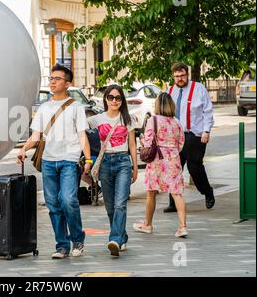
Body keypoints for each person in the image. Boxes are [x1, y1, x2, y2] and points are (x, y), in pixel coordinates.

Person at [17, 64, 91, 259]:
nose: (52, 81)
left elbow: (83, 136)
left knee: (68, 200)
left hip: (69, 160)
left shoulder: (76, 107)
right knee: (53, 204)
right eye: (51, 78)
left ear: (67, 83)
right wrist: (24, 149)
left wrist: (88, 160)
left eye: (57, 79)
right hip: (49, 161)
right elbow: (36, 135)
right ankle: (62, 246)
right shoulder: (44, 107)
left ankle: (77, 239)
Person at [87, 84, 138, 258]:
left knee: (120, 204)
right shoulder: (97, 119)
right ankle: (122, 236)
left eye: (118, 98)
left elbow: (132, 144)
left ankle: (115, 238)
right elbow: (79, 129)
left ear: (122, 100)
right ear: (106, 99)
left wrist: (135, 167)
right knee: (110, 207)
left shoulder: (127, 119)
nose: (114, 101)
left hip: (123, 161)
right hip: (105, 163)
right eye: (111, 97)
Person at [133, 92, 188, 237]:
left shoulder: (153, 119)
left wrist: (143, 139)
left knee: (151, 193)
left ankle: (148, 224)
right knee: (177, 193)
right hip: (174, 160)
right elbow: (181, 142)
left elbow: (148, 141)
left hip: (157, 160)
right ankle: (182, 227)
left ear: (157, 104)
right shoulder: (177, 122)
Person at [164, 62, 215, 213]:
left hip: (194, 135)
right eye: (176, 76)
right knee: (173, 170)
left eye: (182, 75)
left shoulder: (199, 89)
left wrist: (206, 131)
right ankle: (173, 202)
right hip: (174, 137)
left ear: (187, 74)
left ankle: (207, 192)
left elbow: (208, 111)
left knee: (195, 168)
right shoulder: (170, 91)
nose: (179, 79)